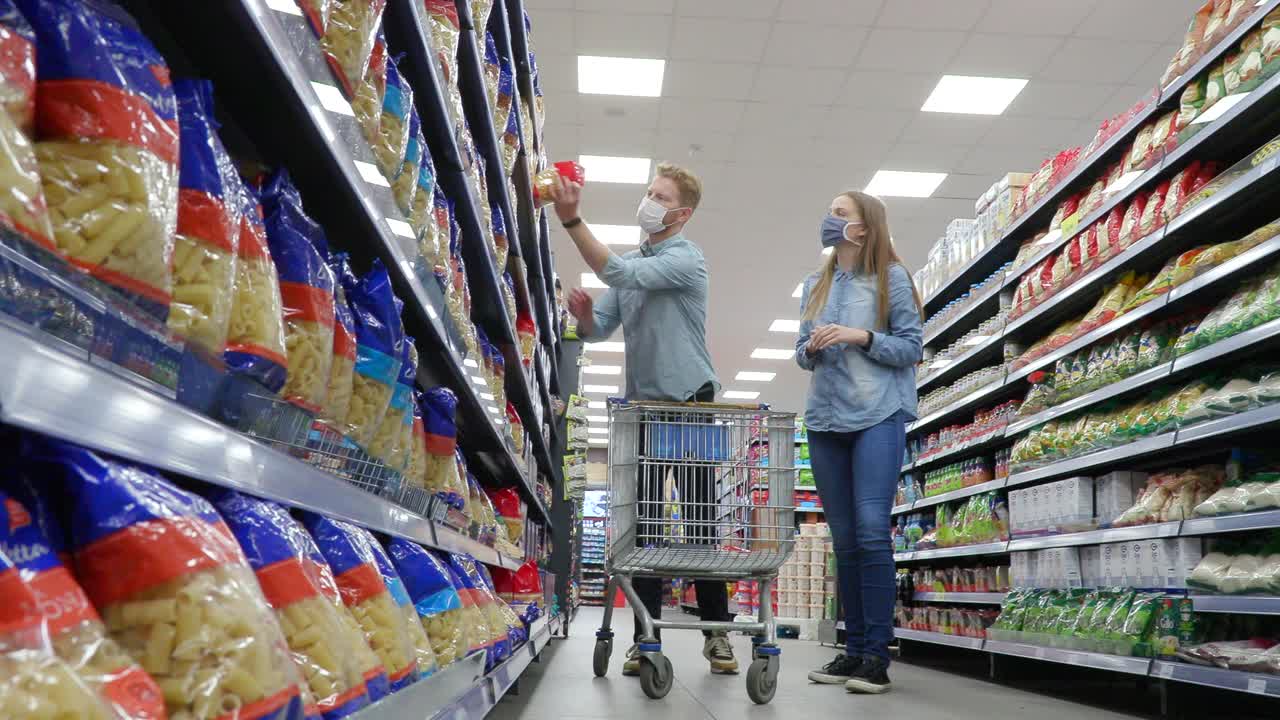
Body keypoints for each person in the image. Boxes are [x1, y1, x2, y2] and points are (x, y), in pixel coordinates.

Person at [552, 162, 737, 676]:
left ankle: (717, 634)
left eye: (660, 195)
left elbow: (620, 273)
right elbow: (599, 328)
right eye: (648, 192)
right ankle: (644, 638)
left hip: (690, 407)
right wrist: (586, 315)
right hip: (644, 412)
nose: (649, 201)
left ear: (681, 213)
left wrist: (573, 222)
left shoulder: (686, 259)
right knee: (647, 530)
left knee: (700, 525)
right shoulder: (639, 260)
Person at [795, 191, 923, 694]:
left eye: (841, 212)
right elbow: (799, 356)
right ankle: (850, 653)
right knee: (843, 539)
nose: (831, 219)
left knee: (871, 531)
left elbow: (912, 347)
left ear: (865, 227)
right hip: (825, 419)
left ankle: (876, 656)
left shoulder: (892, 278)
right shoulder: (814, 284)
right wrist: (811, 346)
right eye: (829, 211)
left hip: (877, 414)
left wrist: (859, 336)